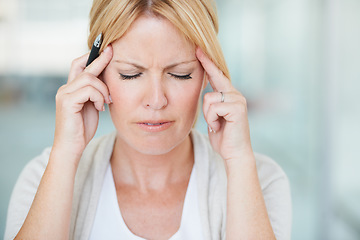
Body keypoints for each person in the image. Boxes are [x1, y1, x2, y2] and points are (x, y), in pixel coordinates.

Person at [5, 0, 292, 239]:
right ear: (96, 74)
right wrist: (65, 154)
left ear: (207, 74)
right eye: (131, 74)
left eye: (180, 74)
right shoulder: (43, 176)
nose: (156, 100)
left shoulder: (260, 181)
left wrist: (239, 161)